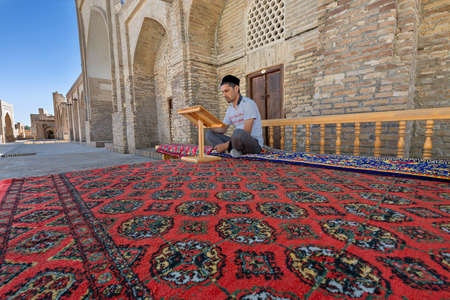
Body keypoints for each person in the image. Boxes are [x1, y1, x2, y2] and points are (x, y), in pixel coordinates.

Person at [206, 75, 263, 157]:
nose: (224, 95)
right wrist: (206, 124)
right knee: (210, 134)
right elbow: (222, 129)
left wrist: (225, 145)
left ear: (236, 89)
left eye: (226, 91)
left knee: (238, 133)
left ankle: (230, 149)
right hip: (237, 141)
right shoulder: (230, 109)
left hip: (253, 144)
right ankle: (235, 150)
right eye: (223, 92)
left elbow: (246, 132)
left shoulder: (248, 104)